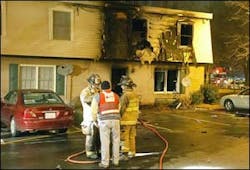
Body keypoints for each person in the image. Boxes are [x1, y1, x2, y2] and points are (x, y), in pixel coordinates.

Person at [91, 80, 120, 168]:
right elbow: (119, 107)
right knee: (116, 141)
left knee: (105, 142)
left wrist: (95, 120)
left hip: (104, 121)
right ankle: (116, 161)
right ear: (109, 87)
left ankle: (105, 163)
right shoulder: (116, 95)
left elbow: (94, 110)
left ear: (101, 88)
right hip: (116, 120)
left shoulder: (98, 96)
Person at [80, 74, 101, 159]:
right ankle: (90, 152)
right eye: (96, 84)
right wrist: (95, 96)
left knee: (98, 134)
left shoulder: (98, 90)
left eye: (98, 84)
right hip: (89, 117)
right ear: (91, 83)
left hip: (97, 115)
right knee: (91, 134)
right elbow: (86, 100)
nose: (97, 85)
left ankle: (98, 150)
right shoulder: (85, 91)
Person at [118, 75, 140, 160]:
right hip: (134, 120)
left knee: (124, 137)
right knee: (132, 136)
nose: (121, 87)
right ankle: (132, 152)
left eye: (122, 85)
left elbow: (122, 109)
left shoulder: (125, 96)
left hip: (125, 120)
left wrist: (118, 117)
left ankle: (124, 154)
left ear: (125, 86)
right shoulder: (135, 94)